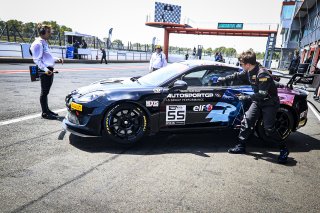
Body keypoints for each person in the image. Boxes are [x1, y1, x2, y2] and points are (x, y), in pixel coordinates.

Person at [216, 50, 289, 163]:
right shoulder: (249, 70)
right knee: (247, 121)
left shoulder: (262, 74)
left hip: (269, 103)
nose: (241, 66)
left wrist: (246, 98)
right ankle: (241, 146)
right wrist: (224, 79)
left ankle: (283, 149)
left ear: (248, 64)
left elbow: (262, 94)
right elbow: (237, 75)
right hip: (258, 101)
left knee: (268, 128)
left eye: (241, 64)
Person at [30, 24, 63, 120]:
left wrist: (57, 59)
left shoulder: (44, 42)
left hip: (48, 69)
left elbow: (47, 57)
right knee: (44, 92)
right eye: (48, 32)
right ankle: (45, 113)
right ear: (42, 32)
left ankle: (47, 110)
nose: (50, 33)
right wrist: (46, 70)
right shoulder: (38, 44)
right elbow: (37, 60)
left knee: (46, 92)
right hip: (44, 70)